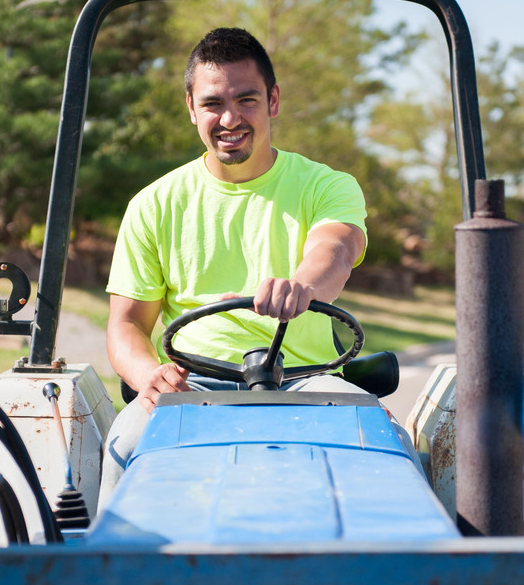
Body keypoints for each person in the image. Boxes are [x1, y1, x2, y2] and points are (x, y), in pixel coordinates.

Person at [99, 27, 408, 511]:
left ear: (274, 101)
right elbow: (126, 325)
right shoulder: (153, 204)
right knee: (125, 445)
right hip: (192, 382)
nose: (229, 118)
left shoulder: (325, 185)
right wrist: (149, 375)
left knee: (387, 444)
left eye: (247, 100)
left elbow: (336, 248)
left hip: (305, 379)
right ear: (190, 108)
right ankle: (108, 581)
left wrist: (302, 286)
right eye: (213, 103)